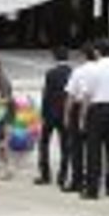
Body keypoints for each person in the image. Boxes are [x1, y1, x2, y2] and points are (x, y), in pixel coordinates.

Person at [81, 41, 109, 200]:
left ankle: (93, 190)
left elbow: (87, 94)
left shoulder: (94, 68)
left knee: (94, 151)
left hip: (97, 110)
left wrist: (83, 116)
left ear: (98, 52)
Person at [36, 46, 72, 187]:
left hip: (51, 113)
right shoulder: (72, 72)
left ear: (54, 57)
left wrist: (43, 114)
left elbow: (47, 95)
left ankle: (45, 175)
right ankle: (62, 176)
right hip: (65, 114)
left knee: (44, 144)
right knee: (65, 146)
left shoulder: (51, 73)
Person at [62, 46, 94, 193]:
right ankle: (92, 180)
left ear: (83, 56)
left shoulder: (79, 71)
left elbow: (71, 95)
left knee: (77, 148)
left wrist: (67, 115)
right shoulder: (100, 70)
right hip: (96, 108)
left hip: (79, 107)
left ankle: (77, 181)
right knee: (94, 149)